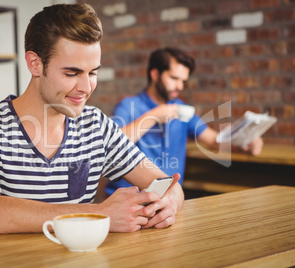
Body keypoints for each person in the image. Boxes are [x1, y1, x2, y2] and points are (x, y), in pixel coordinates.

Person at [0, 4, 184, 237]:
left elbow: (168, 184)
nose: (85, 88)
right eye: (71, 73)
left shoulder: (96, 125)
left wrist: (169, 203)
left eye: (92, 73)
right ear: (35, 64)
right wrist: (98, 215)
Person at [105, 47, 264, 195]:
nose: (180, 86)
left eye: (183, 81)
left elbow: (215, 141)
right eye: (174, 78)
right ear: (155, 74)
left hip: (168, 199)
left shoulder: (181, 109)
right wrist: (155, 115)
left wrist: (245, 143)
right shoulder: (129, 105)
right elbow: (112, 146)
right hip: (129, 199)